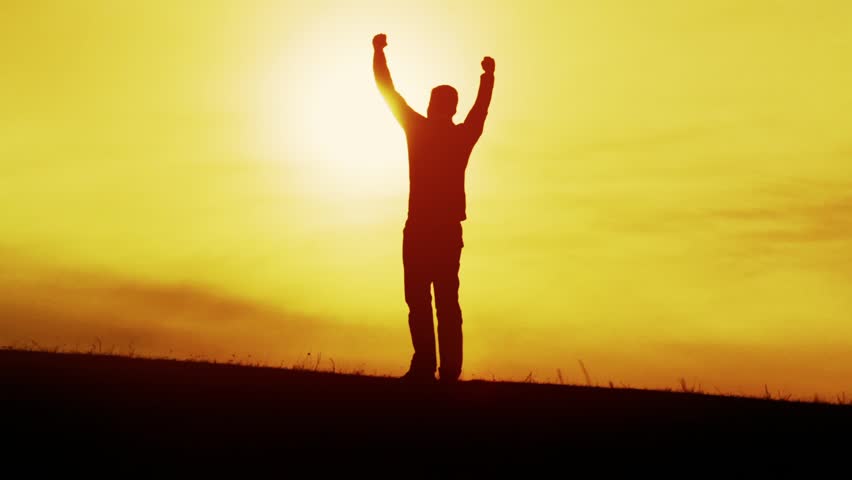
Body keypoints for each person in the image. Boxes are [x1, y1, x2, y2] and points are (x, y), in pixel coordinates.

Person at [372, 33, 495, 384]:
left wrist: (378, 53)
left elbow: (387, 90)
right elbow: (480, 109)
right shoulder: (459, 135)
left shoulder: (419, 129)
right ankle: (445, 370)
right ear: (451, 108)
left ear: (433, 105)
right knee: (444, 302)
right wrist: (488, 78)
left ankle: (427, 365)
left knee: (423, 300)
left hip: (424, 228)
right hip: (442, 230)